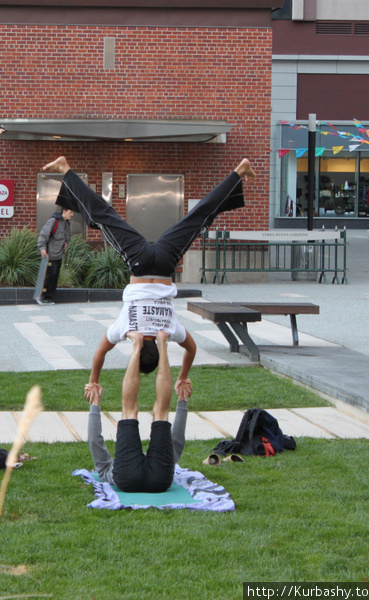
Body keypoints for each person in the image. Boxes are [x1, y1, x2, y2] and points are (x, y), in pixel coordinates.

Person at [41, 156, 255, 395]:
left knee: (197, 218)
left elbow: (191, 349)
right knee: (104, 216)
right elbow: (100, 352)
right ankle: (66, 169)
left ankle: (239, 171)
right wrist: (94, 381)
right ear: (136, 350)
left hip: (165, 263)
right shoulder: (127, 328)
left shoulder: (169, 330)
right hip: (139, 263)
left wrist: (183, 376)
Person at [86, 331, 190, 493]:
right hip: (150, 480)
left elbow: (177, 443)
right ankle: (148, 344)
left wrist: (95, 404)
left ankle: (159, 344)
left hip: (152, 480)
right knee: (135, 410)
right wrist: (94, 404)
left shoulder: (107, 471)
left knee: (156, 413)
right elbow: (94, 442)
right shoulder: (105, 469)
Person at [36, 208, 74, 305]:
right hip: (50, 255)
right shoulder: (53, 221)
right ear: (64, 212)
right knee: (48, 277)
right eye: (70, 212)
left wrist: (66, 243)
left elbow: (66, 237)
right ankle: (41, 297)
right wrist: (42, 248)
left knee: (54, 277)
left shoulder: (67, 224)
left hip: (59, 255)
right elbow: (43, 235)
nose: (72, 214)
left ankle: (49, 298)